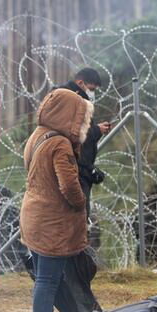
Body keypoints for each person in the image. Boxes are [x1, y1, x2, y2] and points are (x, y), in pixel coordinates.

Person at [20, 88, 96, 312]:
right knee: (47, 280)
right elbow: (69, 185)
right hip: (52, 221)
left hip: (35, 215)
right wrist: (80, 204)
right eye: (81, 118)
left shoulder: (39, 135)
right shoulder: (60, 144)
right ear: (69, 116)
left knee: (44, 278)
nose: (84, 124)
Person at [56, 67, 111, 218]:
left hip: (80, 169)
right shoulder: (69, 99)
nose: (92, 93)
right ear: (80, 83)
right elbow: (72, 134)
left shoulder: (78, 100)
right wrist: (96, 131)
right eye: (91, 89)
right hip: (73, 169)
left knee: (78, 221)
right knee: (76, 220)